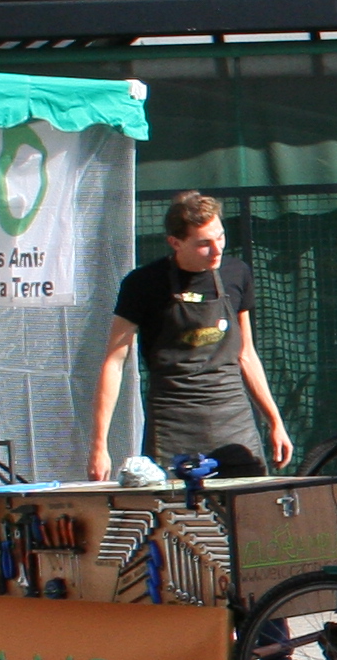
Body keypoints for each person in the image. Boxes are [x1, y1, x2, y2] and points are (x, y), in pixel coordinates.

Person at [89, 191, 290, 481]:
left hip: (234, 421)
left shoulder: (237, 273)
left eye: (220, 237)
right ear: (175, 242)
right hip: (173, 426)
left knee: (250, 513)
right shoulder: (142, 283)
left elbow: (246, 354)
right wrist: (99, 445)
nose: (217, 249)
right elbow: (114, 362)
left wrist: (275, 422)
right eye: (204, 244)